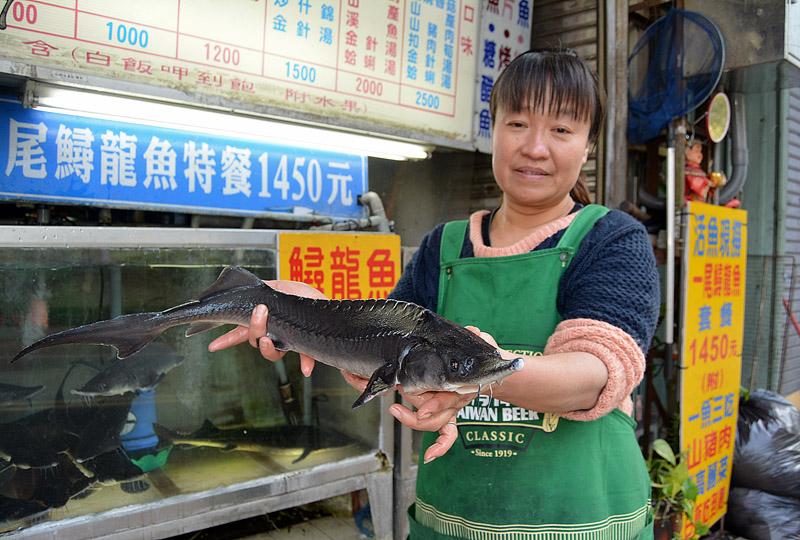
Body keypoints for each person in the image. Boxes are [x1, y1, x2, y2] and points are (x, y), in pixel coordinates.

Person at [210, 48, 660, 539]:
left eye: (561, 130)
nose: (535, 147)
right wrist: (306, 319)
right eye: (517, 124)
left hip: (585, 521)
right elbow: (385, 364)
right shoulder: (440, 248)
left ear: (588, 145)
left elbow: (595, 375)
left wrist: (475, 372)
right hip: (452, 521)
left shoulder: (612, 239)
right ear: (494, 131)